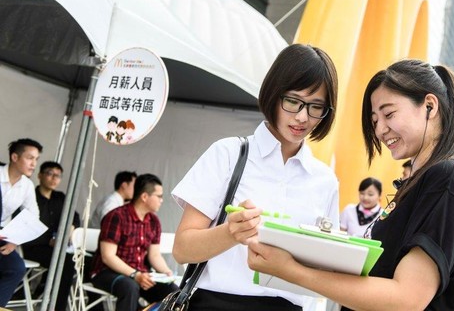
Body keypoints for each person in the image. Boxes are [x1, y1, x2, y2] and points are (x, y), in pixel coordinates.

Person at [247, 59, 454, 310]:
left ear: (429, 105)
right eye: (374, 121)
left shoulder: (450, 179)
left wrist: (291, 270)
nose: (381, 130)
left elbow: (406, 298)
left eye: (389, 114)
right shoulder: (425, 180)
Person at [171, 44, 339, 311]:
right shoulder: (228, 154)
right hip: (216, 304)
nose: (302, 117)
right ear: (274, 94)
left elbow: (324, 269)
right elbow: (182, 249)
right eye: (293, 101)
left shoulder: (325, 181)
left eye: (316, 107)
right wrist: (230, 232)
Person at [90, 173, 177, 311]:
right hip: (107, 272)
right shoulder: (116, 216)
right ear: (144, 197)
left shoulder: (154, 221)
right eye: (159, 196)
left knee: (173, 292)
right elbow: (108, 257)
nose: (162, 200)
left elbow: (154, 255)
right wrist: (134, 274)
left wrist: (168, 273)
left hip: (140, 274)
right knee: (130, 287)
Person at [21, 161, 80, 311]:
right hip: (32, 246)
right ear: (40, 175)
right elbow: (24, 226)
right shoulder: (31, 196)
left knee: (78, 260)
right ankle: (56, 307)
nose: (54, 178)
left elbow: (74, 216)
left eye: (58, 176)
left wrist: (70, 229)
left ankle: (45, 293)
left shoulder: (60, 197)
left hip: (56, 247)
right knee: (65, 262)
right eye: (50, 174)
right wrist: (50, 240)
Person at [0, 138, 42, 307]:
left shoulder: (27, 186)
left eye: (36, 159)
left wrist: (14, 239)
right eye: (30, 158)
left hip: (3, 235)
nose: (34, 164)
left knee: (16, 268)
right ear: (15, 157)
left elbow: (33, 217)